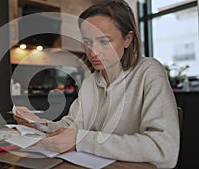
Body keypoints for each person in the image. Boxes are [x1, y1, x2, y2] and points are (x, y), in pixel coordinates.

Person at [13, 0, 180, 168]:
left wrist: (81, 140)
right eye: (87, 42)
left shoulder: (149, 71)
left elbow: (163, 149)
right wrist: (38, 123)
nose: (93, 52)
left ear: (127, 39)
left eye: (104, 41)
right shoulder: (90, 82)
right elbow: (70, 127)